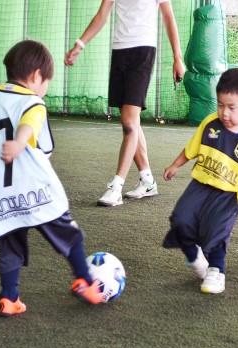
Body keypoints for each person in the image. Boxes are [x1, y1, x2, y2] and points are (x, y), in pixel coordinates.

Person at [0, 40, 105, 317]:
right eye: (46, 81)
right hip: (34, 189)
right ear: (36, 76)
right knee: (69, 233)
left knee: (10, 242)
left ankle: (9, 298)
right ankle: (86, 280)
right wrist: (20, 142)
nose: (45, 88)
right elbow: (32, 129)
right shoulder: (34, 102)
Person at [163, 68, 238, 294]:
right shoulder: (210, 123)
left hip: (227, 194)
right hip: (200, 186)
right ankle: (195, 257)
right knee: (180, 219)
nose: (224, 112)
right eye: (220, 105)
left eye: (232, 107)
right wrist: (176, 165)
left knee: (216, 231)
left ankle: (216, 270)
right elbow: (191, 148)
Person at [65, 0, 185, 207]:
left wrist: (178, 57)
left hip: (143, 52)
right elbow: (102, 14)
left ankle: (116, 187)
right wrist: (80, 44)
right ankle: (147, 181)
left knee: (129, 123)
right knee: (131, 122)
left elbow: (168, 17)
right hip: (120, 52)